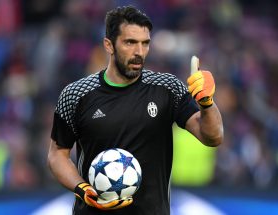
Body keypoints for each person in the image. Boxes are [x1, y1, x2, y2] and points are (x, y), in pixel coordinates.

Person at [48, 5, 223, 215]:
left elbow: (212, 137)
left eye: (145, 43)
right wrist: (82, 189)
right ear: (109, 45)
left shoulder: (167, 88)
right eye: (130, 43)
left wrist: (207, 104)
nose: (139, 52)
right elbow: (57, 155)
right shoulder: (76, 94)